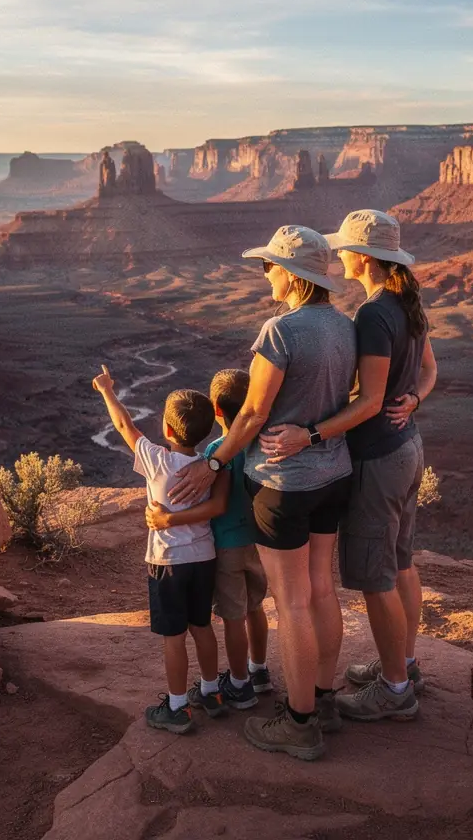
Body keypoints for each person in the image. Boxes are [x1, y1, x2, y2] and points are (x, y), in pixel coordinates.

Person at [169, 225, 356, 761]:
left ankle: (299, 723)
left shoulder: (280, 331)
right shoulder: (345, 326)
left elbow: (251, 413)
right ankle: (323, 700)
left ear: (292, 275)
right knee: (321, 590)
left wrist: (213, 462)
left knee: (291, 602)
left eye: (270, 265)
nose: (265, 273)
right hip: (333, 475)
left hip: (283, 485)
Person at [260, 209, 437, 723]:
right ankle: (403, 665)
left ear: (363, 258)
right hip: (408, 447)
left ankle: (395, 690)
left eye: (344, 250)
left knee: (376, 577)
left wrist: (309, 434)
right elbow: (429, 370)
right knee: (400, 562)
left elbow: (370, 402)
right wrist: (416, 400)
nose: (338, 257)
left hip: (379, 456)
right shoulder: (407, 303)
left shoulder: (374, 314)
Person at [92, 365, 230, 733]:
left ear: (167, 429)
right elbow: (217, 506)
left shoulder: (157, 460)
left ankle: (177, 707)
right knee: (202, 626)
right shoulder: (210, 467)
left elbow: (124, 426)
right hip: (204, 558)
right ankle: (212, 692)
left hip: (167, 561)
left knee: (174, 636)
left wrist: (107, 390)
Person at [146, 368, 272, 709]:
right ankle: (259, 670)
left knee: (233, 616)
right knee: (255, 607)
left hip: (228, 546)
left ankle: (240, 685)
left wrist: (168, 518)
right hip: (259, 542)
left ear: (217, 410)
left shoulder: (217, 452)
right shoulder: (260, 441)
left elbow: (217, 503)